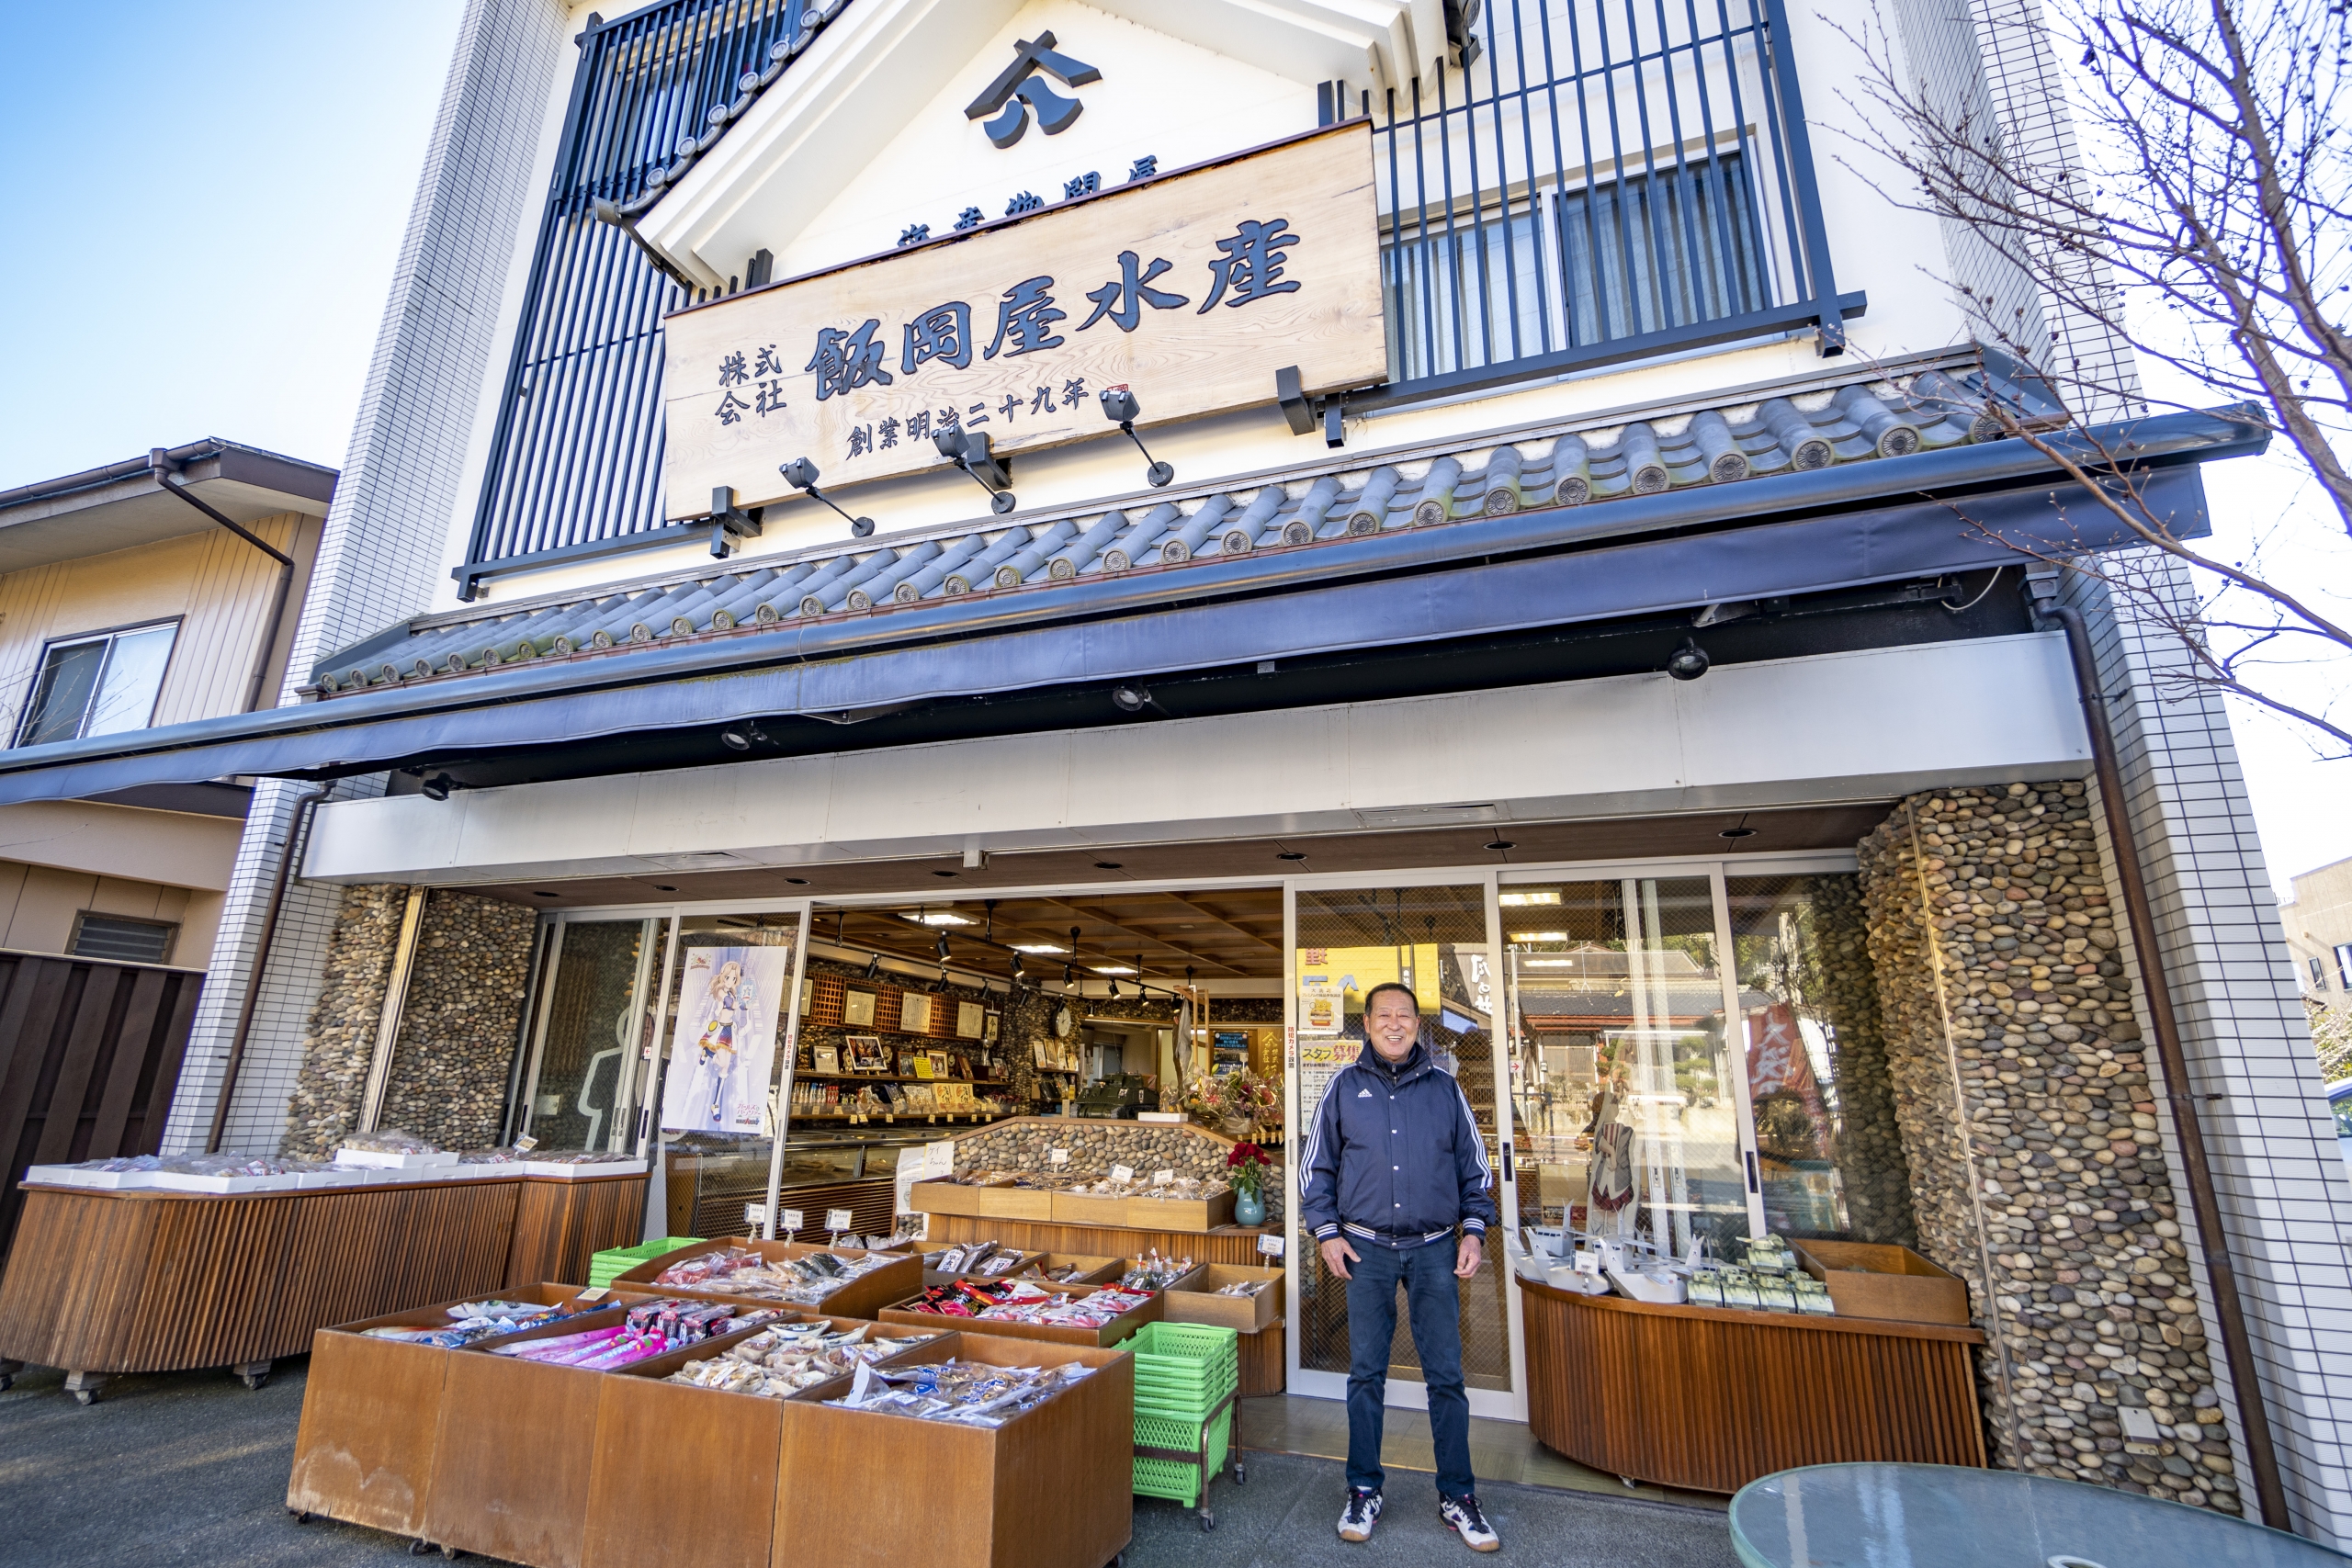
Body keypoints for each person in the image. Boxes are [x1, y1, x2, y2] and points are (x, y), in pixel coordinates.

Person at [1299, 981, 1501, 1551]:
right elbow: (1317, 1171)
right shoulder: (1342, 1088)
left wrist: (1475, 1229)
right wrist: (1327, 1233)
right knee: (1366, 1375)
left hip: (1437, 1249)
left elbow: (1475, 1171)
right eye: (1383, 1015)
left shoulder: (1446, 1089)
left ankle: (1458, 1496)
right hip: (1364, 1252)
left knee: (1446, 1376)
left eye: (1404, 1015)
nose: (1394, 1024)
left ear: (1418, 1025)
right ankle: (1364, 1488)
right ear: (1365, 1024)